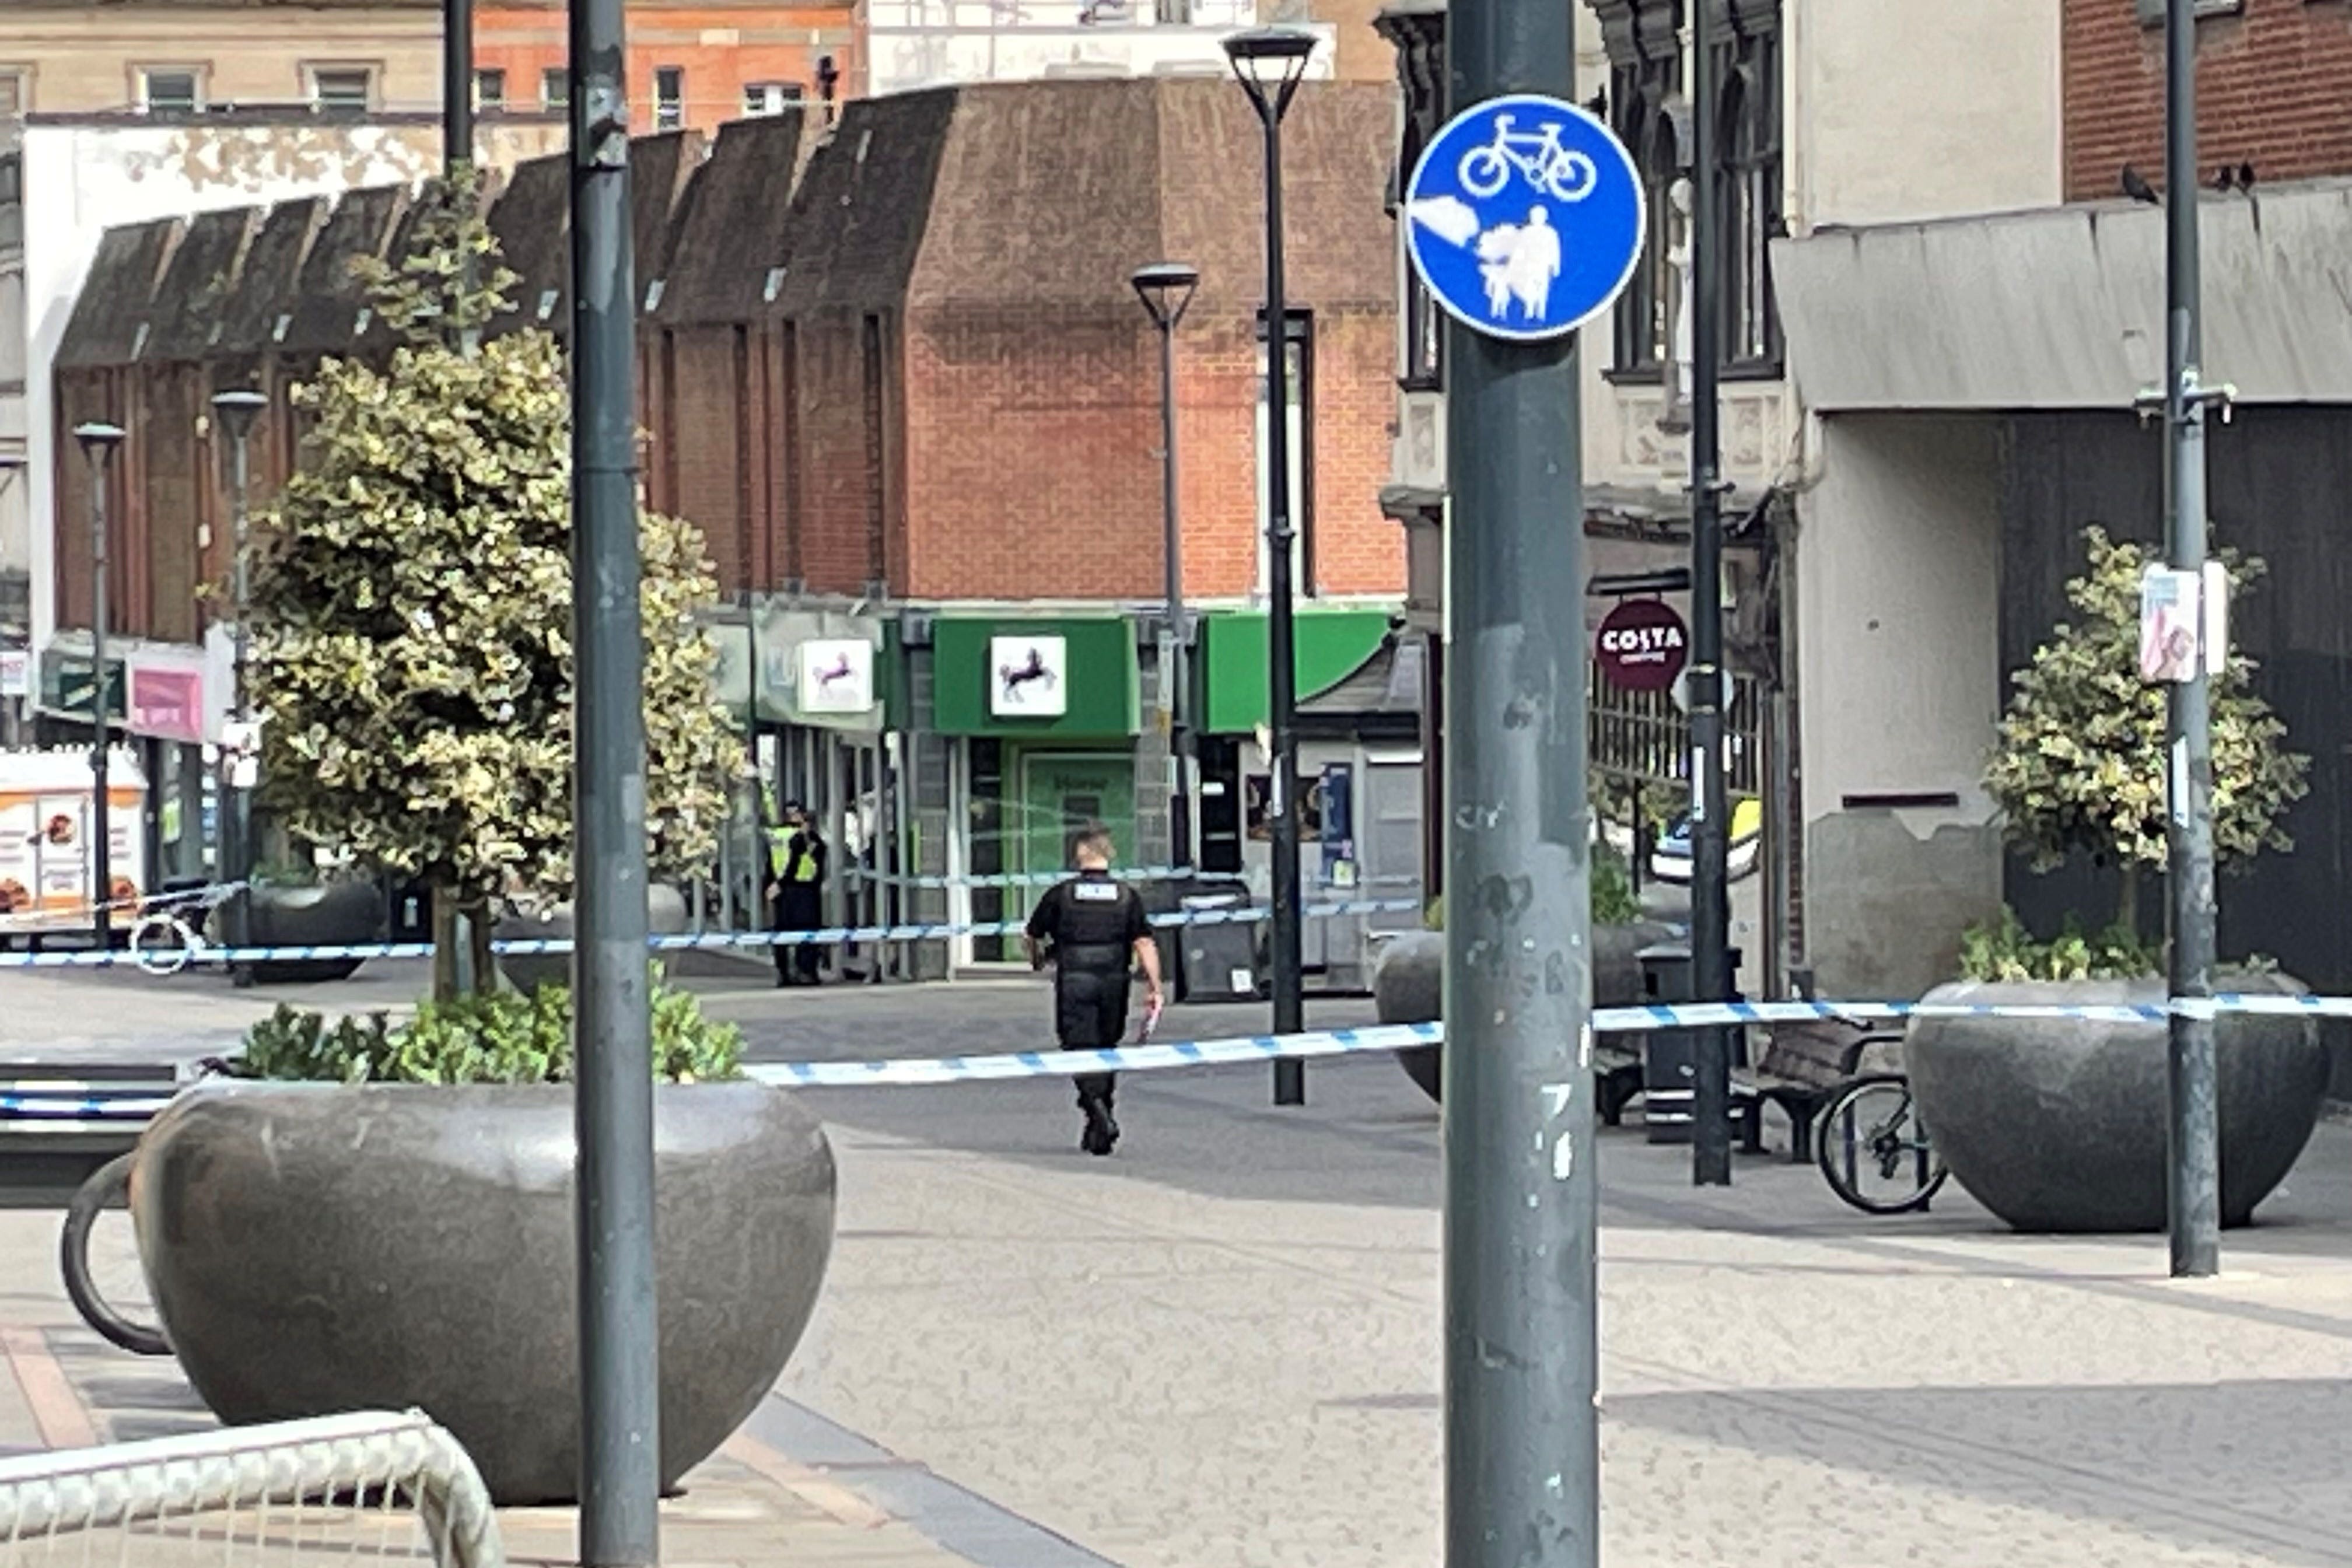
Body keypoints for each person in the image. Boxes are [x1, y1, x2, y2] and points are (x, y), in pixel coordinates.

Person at [1023, 827, 1163, 1157]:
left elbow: (1032, 934)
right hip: (1115, 978)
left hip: (1075, 977)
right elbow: (1143, 942)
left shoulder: (1062, 894)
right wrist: (1155, 986)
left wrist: (1037, 960)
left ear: (1079, 856)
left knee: (1078, 1048)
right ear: (1108, 855)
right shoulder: (1127, 896)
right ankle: (1100, 1121)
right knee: (1106, 1048)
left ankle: (1098, 1112)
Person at [767, 802, 829, 988]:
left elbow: (771, 862)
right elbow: (796, 862)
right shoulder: (802, 837)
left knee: (782, 933)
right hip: (802, 889)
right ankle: (806, 972)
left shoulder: (777, 835)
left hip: (783, 889)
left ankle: (783, 972)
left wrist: (772, 885)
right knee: (807, 933)